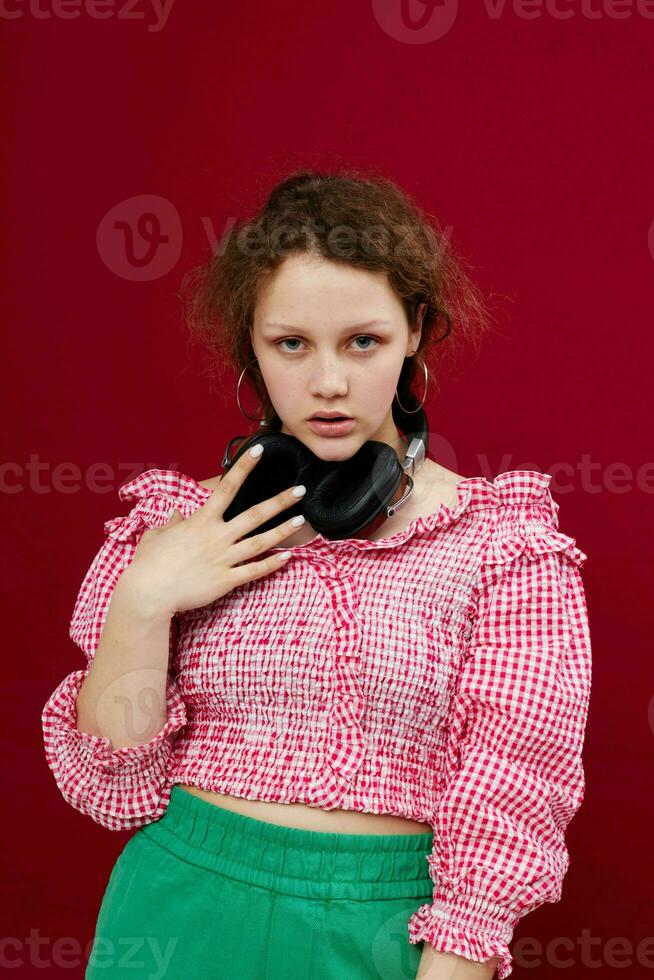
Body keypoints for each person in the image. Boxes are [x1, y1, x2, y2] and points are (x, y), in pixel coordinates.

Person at [41, 169, 592, 980]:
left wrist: (455, 961)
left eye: (362, 341)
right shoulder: (169, 529)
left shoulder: (503, 547)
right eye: (290, 343)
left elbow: (513, 790)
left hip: (382, 928)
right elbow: (110, 789)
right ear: (251, 350)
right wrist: (146, 598)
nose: (327, 383)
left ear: (415, 333)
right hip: (177, 908)